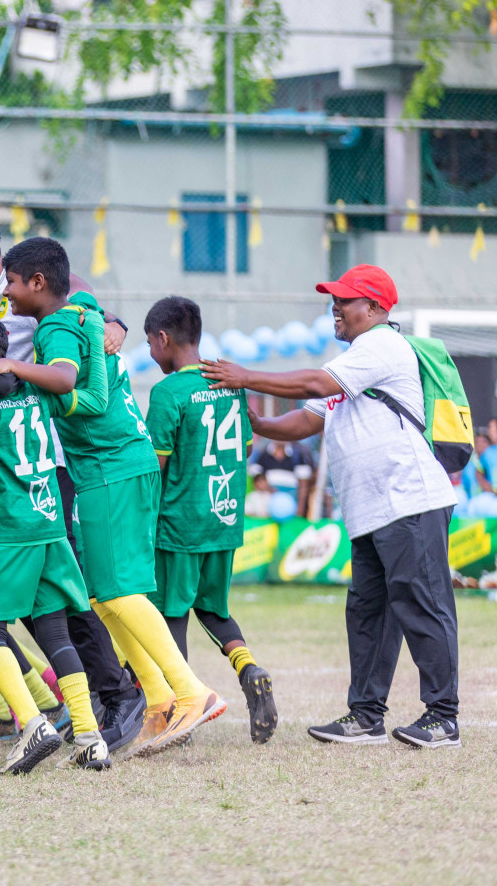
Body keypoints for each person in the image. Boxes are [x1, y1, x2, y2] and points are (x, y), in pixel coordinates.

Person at [0, 237, 226, 757]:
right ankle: (156, 699)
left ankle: (193, 691)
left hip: (111, 469)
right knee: (102, 597)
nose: (8, 294)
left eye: (13, 284)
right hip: (113, 467)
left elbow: (64, 380)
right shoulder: (83, 312)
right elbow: (91, 389)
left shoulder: (59, 325)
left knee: (120, 592)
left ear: (38, 283)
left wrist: (16, 371)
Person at [0, 211, 147, 751]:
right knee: (24, 592)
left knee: (57, 590)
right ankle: (70, 698)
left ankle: (115, 693)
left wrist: (111, 320)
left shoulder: (20, 287)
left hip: (39, 465)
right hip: (2, 469)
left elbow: (75, 291)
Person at [202, 264, 462, 749]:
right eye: (334, 299)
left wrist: (248, 375)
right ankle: (365, 717)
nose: (334, 308)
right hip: (372, 511)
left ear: (376, 309)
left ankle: (442, 718)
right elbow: (304, 421)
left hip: (410, 500)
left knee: (422, 606)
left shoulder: (382, 345)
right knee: (368, 615)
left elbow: (315, 387)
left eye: (345, 299)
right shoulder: (356, 360)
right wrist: (254, 419)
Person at [0, 310, 109, 772]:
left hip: (4, 533)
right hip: (50, 528)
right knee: (54, 631)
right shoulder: (38, 393)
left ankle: (34, 722)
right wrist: (93, 329)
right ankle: (90, 736)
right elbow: (95, 398)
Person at [144, 296, 278, 745]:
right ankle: (249, 668)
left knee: (171, 615)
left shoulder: (166, 393)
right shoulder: (229, 382)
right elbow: (243, 449)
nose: (149, 353)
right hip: (224, 523)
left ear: (163, 339)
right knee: (214, 609)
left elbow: (157, 466)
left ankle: (180, 712)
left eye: (149, 343)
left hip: (180, 524)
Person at [248, 439, 316, 515]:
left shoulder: (298, 454)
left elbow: (304, 486)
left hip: (292, 507)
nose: (280, 437)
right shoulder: (262, 453)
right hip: (267, 509)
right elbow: (257, 481)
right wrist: (269, 489)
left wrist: (300, 511)